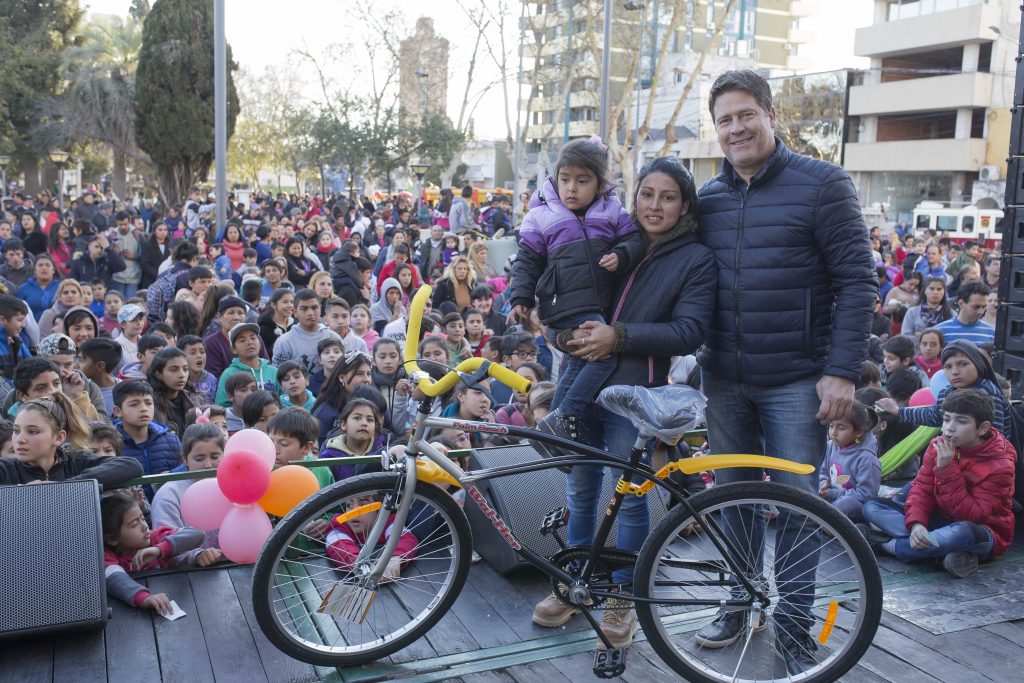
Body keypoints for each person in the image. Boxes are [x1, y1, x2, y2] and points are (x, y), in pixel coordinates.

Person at [692, 70, 875, 672]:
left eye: (746, 114)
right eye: (725, 120)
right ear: (715, 129)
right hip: (723, 377)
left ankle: (796, 623)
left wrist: (842, 371)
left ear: (772, 116)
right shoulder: (707, 198)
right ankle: (738, 602)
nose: (736, 128)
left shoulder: (824, 184)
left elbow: (857, 282)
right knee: (731, 500)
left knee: (800, 505)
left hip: (799, 378)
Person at [530, 155, 716, 650]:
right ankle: (577, 584)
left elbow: (690, 330)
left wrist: (619, 335)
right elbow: (565, 293)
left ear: (684, 205)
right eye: (647, 194)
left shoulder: (694, 258)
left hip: (634, 394)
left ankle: (623, 596)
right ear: (633, 197)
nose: (655, 205)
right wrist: (556, 327)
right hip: (580, 379)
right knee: (581, 491)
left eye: (668, 196)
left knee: (629, 499)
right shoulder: (611, 237)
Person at [509, 136, 643, 443]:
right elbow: (526, 261)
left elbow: (634, 241)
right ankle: (566, 413)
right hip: (561, 306)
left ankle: (552, 430)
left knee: (578, 360)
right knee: (603, 357)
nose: (571, 188)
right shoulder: (541, 215)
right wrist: (520, 298)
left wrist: (622, 254)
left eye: (582, 181)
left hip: (597, 305)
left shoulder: (612, 211)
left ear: (599, 183)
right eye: (565, 179)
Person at [860, 389, 1016, 578]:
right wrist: (917, 524)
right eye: (947, 419)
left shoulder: (1000, 465)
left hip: (980, 530)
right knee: (871, 506)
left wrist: (946, 469)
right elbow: (922, 489)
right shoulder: (938, 445)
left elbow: (971, 515)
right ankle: (939, 553)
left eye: (961, 421)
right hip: (937, 520)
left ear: (982, 428)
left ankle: (887, 545)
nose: (949, 428)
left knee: (959, 534)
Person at [101, 493, 218, 613]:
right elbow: (114, 579)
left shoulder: (155, 538)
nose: (144, 526)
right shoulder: (107, 557)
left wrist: (160, 549)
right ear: (112, 539)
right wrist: (144, 598)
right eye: (134, 524)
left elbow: (197, 533)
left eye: (142, 518)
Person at [876, 339, 1012, 441]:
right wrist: (898, 411)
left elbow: (995, 438)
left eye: (963, 364)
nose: (955, 372)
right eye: (947, 367)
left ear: (978, 364)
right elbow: (935, 415)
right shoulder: (947, 391)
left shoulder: (988, 393)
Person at [0, 393, 141, 486]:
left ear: (59, 437)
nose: (20, 439)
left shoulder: (76, 462)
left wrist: (63, 486)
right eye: (16, 430)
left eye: (32, 431)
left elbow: (131, 465)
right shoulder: (5, 469)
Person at [151, 421, 226, 550]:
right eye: (199, 459)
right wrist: (195, 556)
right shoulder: (168, 495)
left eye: (215, 457)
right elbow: (165, 546)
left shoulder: (235, 489)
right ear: (185, 458)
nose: (208, 465)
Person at [114, 379, 183, 497]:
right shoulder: (111, 446)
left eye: (148, 403)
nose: (144, 408)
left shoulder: (171, 441)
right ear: (118, 411)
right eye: (134, 404)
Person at [818, 402, 880, 521]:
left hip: (853, 505)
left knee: (848, 503)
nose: (833, 433)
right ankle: (824, 520)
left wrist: (834, 494)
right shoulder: (830, 446)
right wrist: (822, 486)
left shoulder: (866, 458)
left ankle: (824, 521)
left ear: (859, 432)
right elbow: (823, 473)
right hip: (830, 497)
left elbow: (866, 495)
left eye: (841, 428)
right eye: (831, 426)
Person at [271, 288, 342, 375]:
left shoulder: (333, 337)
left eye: (314, 308)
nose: (310, 313)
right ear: (295, 312)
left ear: (320, 309)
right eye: (304, 309)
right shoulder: (284, 342)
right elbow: (278, 376)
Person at [267, 407, 333, 488]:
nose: (274, 450)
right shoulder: (265, 468)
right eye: (270, 441)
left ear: (306, 447)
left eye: (284, 444)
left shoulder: (320, 472)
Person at [215, 322, 279, 406]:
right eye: (242, 340)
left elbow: (284, 399)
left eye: (253, 338)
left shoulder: (274, 371)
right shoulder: (229, 374)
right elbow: (221, 406)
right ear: (233, 349)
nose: (249, 342)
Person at [146, 347, 195, 436]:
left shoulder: (194, 399)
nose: (182, 375)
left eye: (185, 369)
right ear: (158, 374)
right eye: (174, 369)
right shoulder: (149, 405)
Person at [934, 280, 994, 345]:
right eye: (976, 307)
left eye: (984, 307)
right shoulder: (939, 331)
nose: (981, 312)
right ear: (961, 304)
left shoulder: (991, 333)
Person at [78, 337, 122, 415]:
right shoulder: (78, 389)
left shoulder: (125, 391)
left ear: (100, 366)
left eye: (81, 360)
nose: (76, 365)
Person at [18, 255, 60, 321]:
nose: (44, 268)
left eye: (48, 265)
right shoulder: (23, 288)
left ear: (53, 270)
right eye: (40, 265)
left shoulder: (61, 287)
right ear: (34, 270)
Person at [177, 335, 217, 404]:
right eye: (193, 353)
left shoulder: (212, 379)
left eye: (202, 352)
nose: (199, 356)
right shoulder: (179, 379)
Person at [0, 295, 32, 381]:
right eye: (19, 320)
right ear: (2, 320)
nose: (23, 325)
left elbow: (32, 368)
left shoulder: (18, 343)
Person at [257, 288, 294, 356]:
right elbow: (263, 354)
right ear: (273, 305)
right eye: (285, 302)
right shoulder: (263, 327)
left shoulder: (296, 324)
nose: (290, 305)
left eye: (292, 302)